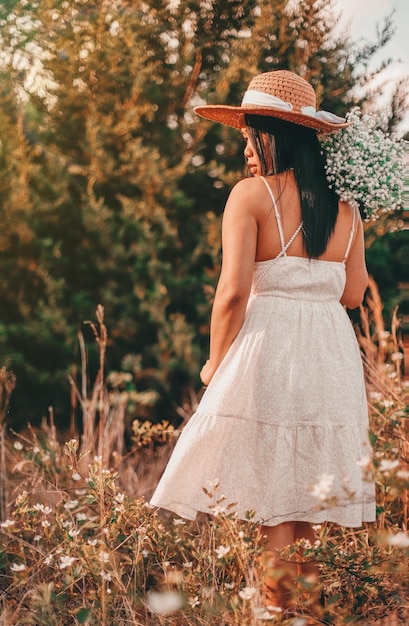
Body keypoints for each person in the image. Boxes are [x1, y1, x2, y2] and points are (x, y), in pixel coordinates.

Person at [150, 70, 376, 607]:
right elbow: (352, 294)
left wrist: (214, 365)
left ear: (275, 136)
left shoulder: (250, 196)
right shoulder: (347, 207)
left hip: (272, 346)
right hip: (328, 353)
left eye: (252, 136)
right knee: (306, 501)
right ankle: (303, 610)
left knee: (272, 497)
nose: (246, 149)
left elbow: (232, 292)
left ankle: (278, 613)